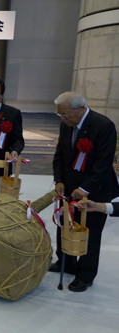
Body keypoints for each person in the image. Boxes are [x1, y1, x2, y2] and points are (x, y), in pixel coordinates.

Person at [50, 91, 119, 292]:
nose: (63, 118)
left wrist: (85, 188)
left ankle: (86, 274)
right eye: (60, 114)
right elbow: (59, 155)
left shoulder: (103, 126)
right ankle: (66, 262)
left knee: (90, 231)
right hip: (70, 187)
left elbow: (103, 164)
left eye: (66, 114)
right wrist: (59, 180)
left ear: (81, 109)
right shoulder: (66, 124)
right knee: (66, 224)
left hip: (95, 190)